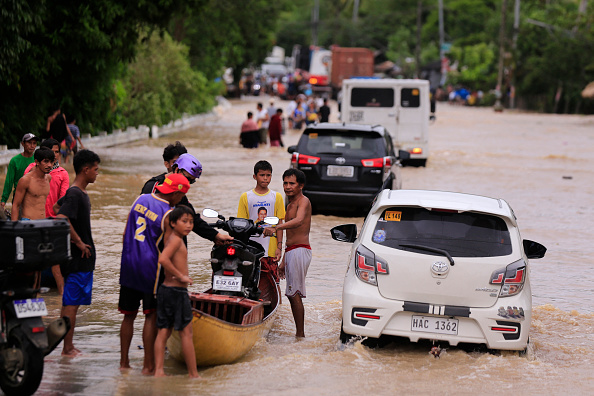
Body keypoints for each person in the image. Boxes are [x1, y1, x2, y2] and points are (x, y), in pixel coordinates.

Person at [119, 173, 190, 374]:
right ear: (176, 193)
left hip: (129, 264)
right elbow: (169, 249)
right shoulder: (168, 214)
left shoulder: (140, 199)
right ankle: (148, 366)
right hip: (151, 270)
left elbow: (126, 233)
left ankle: (124, 363)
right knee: (151, 316)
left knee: (128, 316)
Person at [57, 149, 101, 356]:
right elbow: (62, 218)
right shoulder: (75, 193)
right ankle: (67, 348)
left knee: (71, 303)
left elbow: (58, 208)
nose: (97, 173)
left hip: (82, 261)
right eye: (95, 169)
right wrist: (79, 242)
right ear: (85, 170)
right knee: (71, 305)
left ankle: (68, 345)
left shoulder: (77, 193)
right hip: (77, 259)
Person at [141, 153, 232, 246]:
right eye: (187, 178)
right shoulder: (153, 187)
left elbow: (192, 218)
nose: (187, 184)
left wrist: (215, 236)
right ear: (176, 170)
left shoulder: (179, 194)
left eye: (191, 181)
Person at [263, 169, 311, 337]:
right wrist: (284, 258)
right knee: (291, 294)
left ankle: (300, 336)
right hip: (292, 251)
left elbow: (298, 222)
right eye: (285, 183)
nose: (288, 187)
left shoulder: (303, 201)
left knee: (294, 293)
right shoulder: (289, 204)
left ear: (301, 185)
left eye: (292, 183)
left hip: (300, 250)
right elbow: (290, 234)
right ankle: (299, 334)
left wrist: (276, 227)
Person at [153, 205, 199, 378]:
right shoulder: (176, 240)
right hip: (177, 292)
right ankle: (194, 375)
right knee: (186, 333)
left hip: (166, 290)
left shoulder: (170, 237)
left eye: (191, 222)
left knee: (164, 330)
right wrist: (181, 276)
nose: (188, 225)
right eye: (184, 221)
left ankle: (158, 371)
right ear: (173, 223)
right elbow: (163, 259)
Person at [24, 139, 69, 294]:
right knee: (32, 262)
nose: (54, 156)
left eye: (56, 152)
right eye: (51, 153)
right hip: (32, 222)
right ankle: (33, 290)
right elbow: (22, 199)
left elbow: (63, 201)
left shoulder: (61, 174)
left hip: (51, 221)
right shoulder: (30, 171)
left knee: (55, 261)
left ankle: (61, 294)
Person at [238, 161, 285, 282]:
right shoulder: (246, 197)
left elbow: (280, 224)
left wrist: (279, 247)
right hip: (250, 247)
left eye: (268, 175)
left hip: (271, 249)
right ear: (255, 176)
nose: (265, 178)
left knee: (273, 281)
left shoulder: (277, 196)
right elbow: (242, 224)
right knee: (248, 280)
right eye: (262, 175)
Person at [11, 147, 54, 221]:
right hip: (28, 222)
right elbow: (16, 205)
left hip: (43, 222)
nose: (49, 165)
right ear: (37, 162)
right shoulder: (26, 180)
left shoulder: (48, 178)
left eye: (51, 162)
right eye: (46, 161)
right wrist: (14, 227)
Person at [1, 133, 38, 211]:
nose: (32, 145)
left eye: (34, 143)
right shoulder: (15, 161)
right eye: (29, 143)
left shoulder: (39, 159)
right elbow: (9, 181)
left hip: (35, 195)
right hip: (19, 195)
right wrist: (4, 200)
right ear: (23, 144)